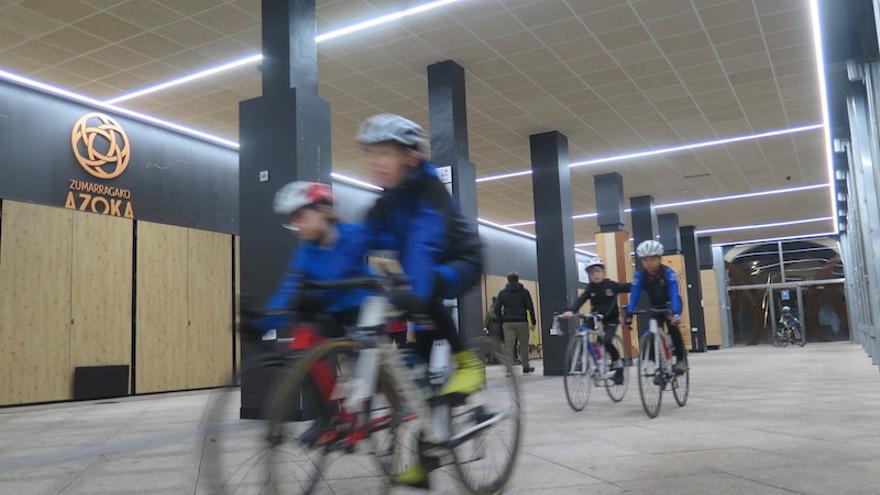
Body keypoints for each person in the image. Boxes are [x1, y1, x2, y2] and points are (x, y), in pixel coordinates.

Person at [356, 113, 485, 488]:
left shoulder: (429, 191)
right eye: (372, 154)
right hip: (421, 268)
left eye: (386, 153)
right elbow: (358, 239)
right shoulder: (387, 201)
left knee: (426, 293)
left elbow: (422, 244)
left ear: (411, 156)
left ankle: (468, 361)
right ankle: (428, 458)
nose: (377, 161)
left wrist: (413, 288)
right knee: (426, 376)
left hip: (460, 261)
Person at [261, 181, 372, 443]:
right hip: (333, 313)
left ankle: (360, 417)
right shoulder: (306, 252)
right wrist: (263, 321)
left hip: (362, 310)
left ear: (322, 210)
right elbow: (289, 287)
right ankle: (329, 416)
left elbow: (389, 241)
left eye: (301, 216)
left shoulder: (352, 235)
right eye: (292, 221)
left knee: (362, 368)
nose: (297, 225)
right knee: (303, 345)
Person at [560, 256, 630, 382]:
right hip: (595, 317)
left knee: (607, 340)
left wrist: (639, 284)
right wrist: (571, 310)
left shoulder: (611, 285)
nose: (595, 275)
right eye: (592, 273)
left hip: (611, 319)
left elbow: (626, 287)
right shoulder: (590, 288)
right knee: (582, 331)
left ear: (603, 272)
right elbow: (581, 299)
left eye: (598, 271)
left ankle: (617, 362)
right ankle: (597, 359)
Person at [623, 240, 688, 375]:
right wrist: (629, 313)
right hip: (656, 306)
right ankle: (659, 365)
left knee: (673, 328)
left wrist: (676, 313)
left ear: (659, 258)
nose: (649, 263)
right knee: (651, 333)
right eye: (645, 260)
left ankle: (681, 360)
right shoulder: (640, 276)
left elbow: (674, 294)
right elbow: (634, 295)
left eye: (653, 259)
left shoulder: (668, 273)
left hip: (671, 304)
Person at [495, 272, 537, 374]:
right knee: (523, 346)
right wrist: (533, 321)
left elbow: (497, 309)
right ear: (518, 279)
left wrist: (500, 322)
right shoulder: (524, 292)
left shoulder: (502, 293)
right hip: (522, 322)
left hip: (508, 323)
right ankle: (526, 367)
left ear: (508, 280)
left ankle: (509, 370)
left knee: (509, 347)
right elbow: (530, 307)